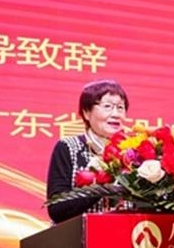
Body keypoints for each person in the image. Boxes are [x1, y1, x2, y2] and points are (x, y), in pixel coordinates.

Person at [46, 79, 129, 223]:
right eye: (107, 106)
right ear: (86, 113)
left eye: (120, 107)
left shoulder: (133, 153)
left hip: (128, 233)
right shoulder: (69, 147)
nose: (116, 114)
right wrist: (101, 184)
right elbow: (57, 208)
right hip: (79, 234)